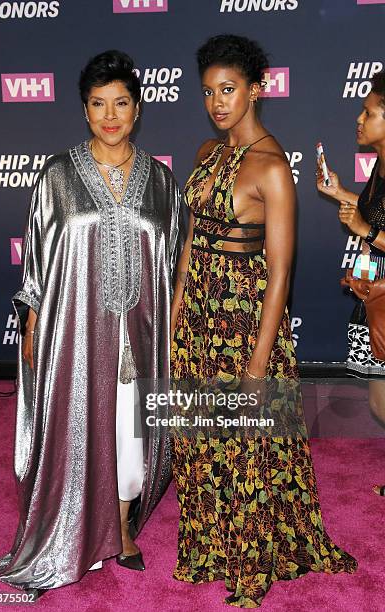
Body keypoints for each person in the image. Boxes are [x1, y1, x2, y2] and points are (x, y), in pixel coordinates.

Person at [171, 34, 357, 608]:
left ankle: (252, 557)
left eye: (228, 90)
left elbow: (280, 272)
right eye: (208, 92)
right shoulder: (207, 152)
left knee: (250, 447)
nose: (217, 102)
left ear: (257, 89)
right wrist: (177, 312)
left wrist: (258, 361)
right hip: (198, 319)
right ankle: (211, 546)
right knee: (200, 439)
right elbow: (190, 243)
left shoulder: (273, 167)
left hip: (243, 324)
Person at [0, 50, 181, 597]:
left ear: (138, 108)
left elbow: (169, 264)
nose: (110, 114)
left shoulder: (161, 183)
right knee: (78, 428)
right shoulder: (56, 176)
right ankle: (74, 529)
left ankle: (120, 526)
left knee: (129, 432)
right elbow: (38, 257)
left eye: (121, 102)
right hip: (73, 333)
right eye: (98, 104)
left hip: (139, 334)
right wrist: (31, 320)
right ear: (84, 110)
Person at [317, 70, 385, 497]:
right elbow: (368, 214)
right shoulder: (380, 165)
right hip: (375, 292)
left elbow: (371, 226)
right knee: (379, 400)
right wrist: (341, 193)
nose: (359, 119)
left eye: (368, 112)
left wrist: (365, 229)